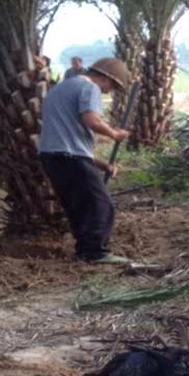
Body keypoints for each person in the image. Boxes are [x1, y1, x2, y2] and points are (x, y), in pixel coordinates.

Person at [38, 57, 132, 265]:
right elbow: (91, 120)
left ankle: (84, 250)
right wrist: (114, 134)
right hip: (69, 158)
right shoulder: (89, 88)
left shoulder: (62, 88)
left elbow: (67, 139)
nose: (109, 92)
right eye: (113, 87)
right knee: (100, 205)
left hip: (52, 157)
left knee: (79, 205)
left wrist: (101, 165)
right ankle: (95, 252)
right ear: (105, 78)